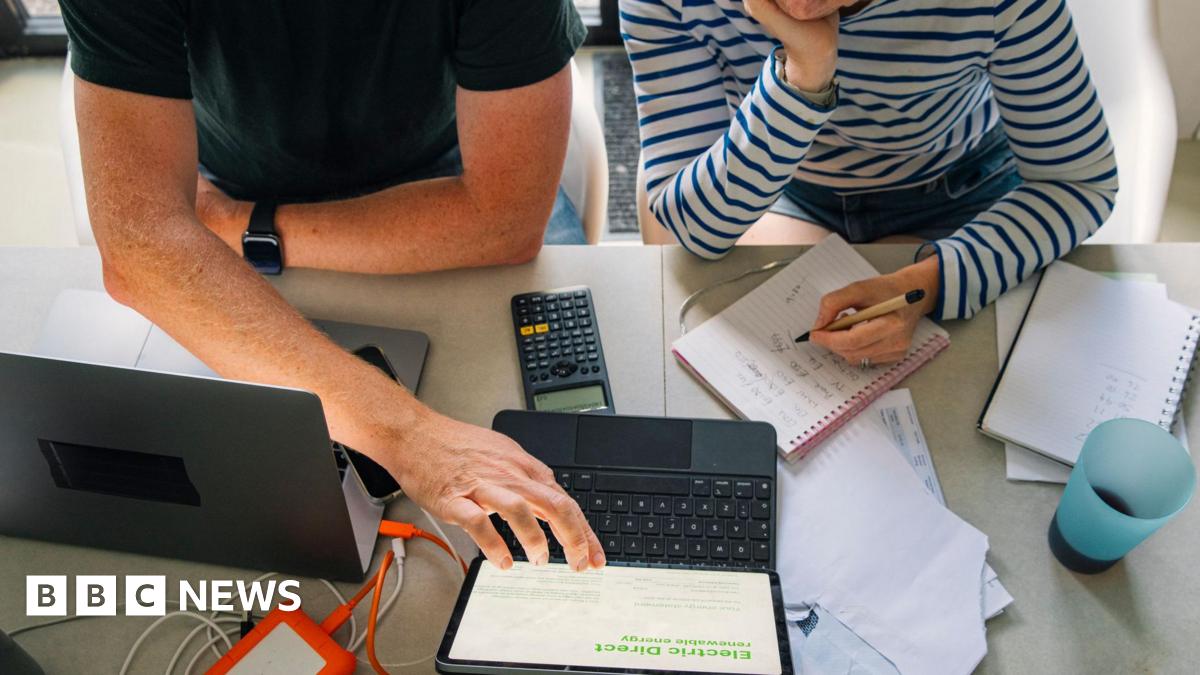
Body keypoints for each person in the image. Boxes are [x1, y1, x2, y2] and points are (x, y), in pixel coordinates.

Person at [59, 0, 605, 573]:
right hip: (227, 184)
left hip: (434, 175)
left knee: (575, 465)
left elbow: (507, 221)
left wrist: (243, 225)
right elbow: (138, 247)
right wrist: (412, 437)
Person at [622, 0, 1118, 366]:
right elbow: (692, 226)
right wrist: (804, 77)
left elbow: (1079, 184)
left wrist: (930, 283)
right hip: (784, 186)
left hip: (959, 190)